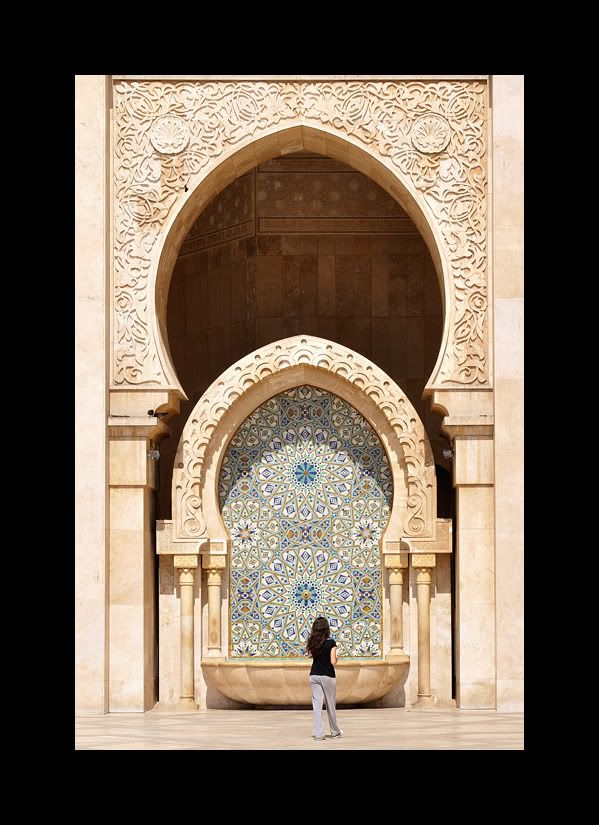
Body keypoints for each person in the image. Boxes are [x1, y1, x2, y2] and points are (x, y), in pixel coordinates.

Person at [305, 616, 344, 741]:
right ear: (326, 628)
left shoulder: (312, 642)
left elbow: (309, 655)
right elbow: (333, 661)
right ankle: (335, 731)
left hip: (314, 675)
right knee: (330, 705)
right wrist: (338, 657)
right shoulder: (331, 642)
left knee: (317, 706)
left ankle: (318, 734)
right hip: (328, 676)